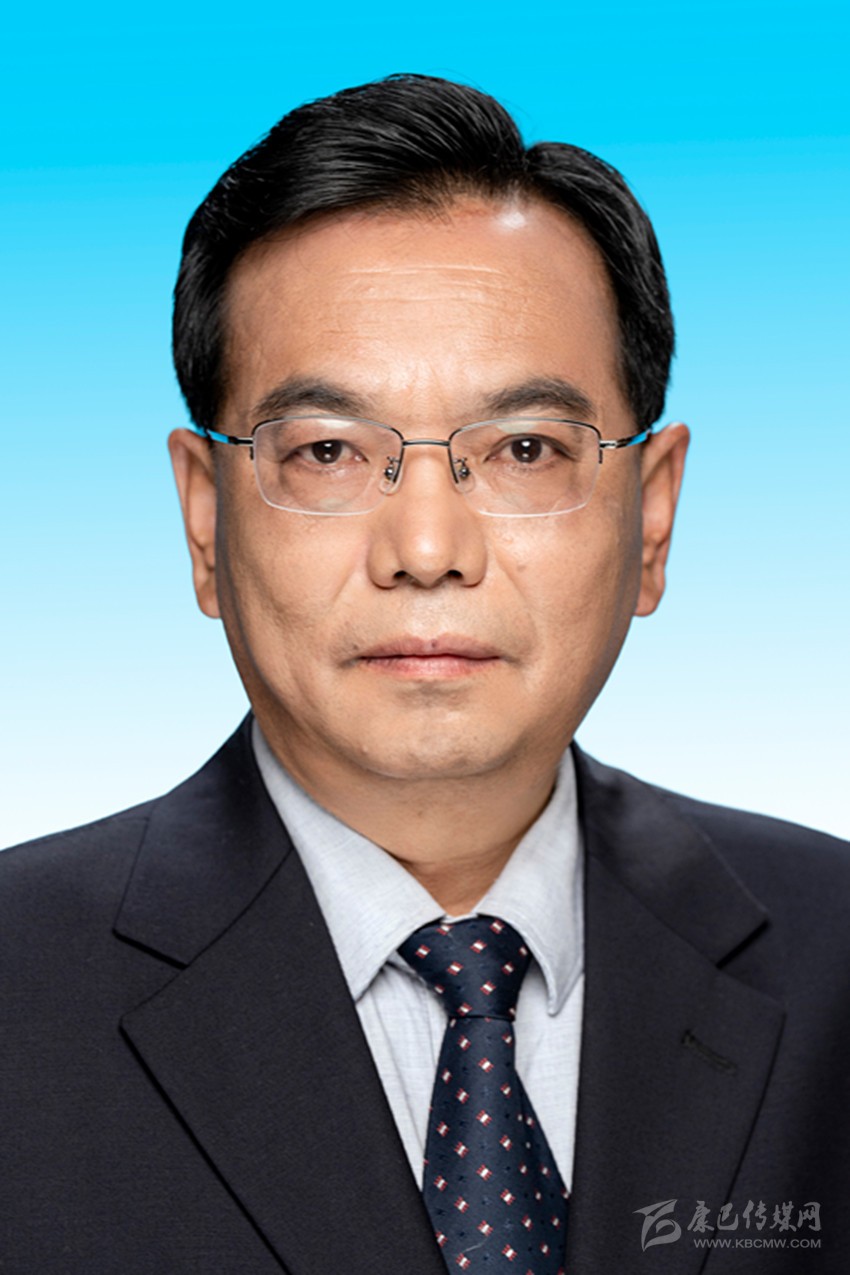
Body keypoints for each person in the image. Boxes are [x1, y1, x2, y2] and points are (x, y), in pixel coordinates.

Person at [1, 74, 847, 1275]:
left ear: (652, 519)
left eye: (525, 449)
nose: (428, 548)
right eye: (328, 452)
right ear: (204, 521)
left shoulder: (832, 951)